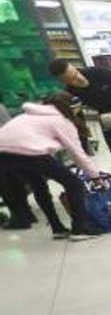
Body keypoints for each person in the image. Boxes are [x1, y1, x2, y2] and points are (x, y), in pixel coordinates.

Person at [0, 94, 105, 239]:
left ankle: (57, 228)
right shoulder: (61, 121)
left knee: (39, 186)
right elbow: (78, 154)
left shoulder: (25, 116)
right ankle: (80, 229)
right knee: (74, 184)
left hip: (3, 154)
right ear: (72, 108)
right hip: (30, 152)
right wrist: (95, 176)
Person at [47, 58, 111, 186]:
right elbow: (78, 119)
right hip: (109, 120)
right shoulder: (71, 93)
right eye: (71, 79)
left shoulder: (97, 72)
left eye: (75, 73)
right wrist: (83, 144)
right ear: (63, 80)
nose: (78, 79)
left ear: (74, 67)